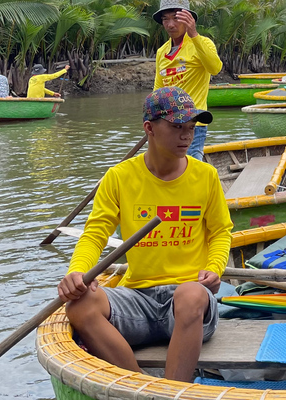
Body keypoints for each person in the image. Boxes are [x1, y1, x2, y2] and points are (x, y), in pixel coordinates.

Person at [57, 86, 233, 382]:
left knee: (190, 294)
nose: (187, 136)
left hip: (190, 304)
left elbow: (221, 232)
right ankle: (142, 385)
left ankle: (174, 388)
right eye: (177, 127)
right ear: (149, 128)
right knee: (80, 305)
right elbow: (95, 235)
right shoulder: (119, 177)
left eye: (191, 128)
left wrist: (214, 270)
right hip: (138, 299)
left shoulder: (206, 176)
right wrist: (78, 273)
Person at [153, 0, 223, 161]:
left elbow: (215, 68)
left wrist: (193, 35)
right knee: (167, 166)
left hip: (193, 123)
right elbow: (158, 90)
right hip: (168, 123)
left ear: (188, 19)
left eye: (176, 18)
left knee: (190, 165)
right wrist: (153, 122)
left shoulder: (203, 43)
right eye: (165, 19)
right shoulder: (162, 52)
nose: (170, 24)